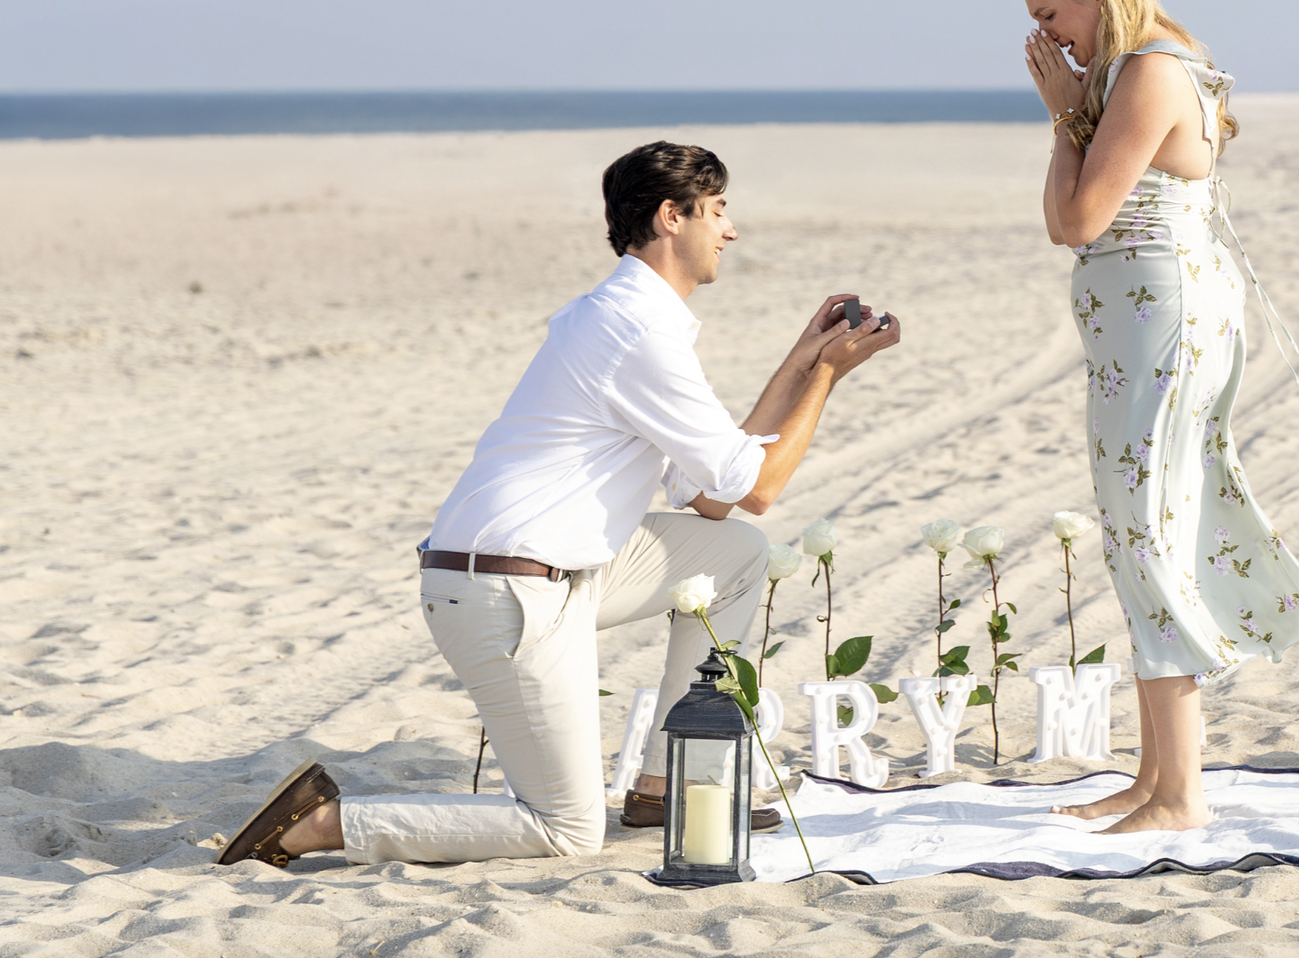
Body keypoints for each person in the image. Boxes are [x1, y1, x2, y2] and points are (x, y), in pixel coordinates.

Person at [216, 140, 900, 867]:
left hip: (548, 572)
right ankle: (323, 822)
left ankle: (666, 784)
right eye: (719, 211)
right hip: (505, 590)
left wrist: (802, 360)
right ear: (673, 216)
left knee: (732, 557)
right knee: (566, 832)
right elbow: (759, 488)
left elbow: (713, 498)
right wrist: (826, 376)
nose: (729, 231)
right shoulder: (637, 330)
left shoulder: (628, 318)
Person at [1019, 0, 1299, 834]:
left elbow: (1077, 219)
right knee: (1135, 524)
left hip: (1165, 322)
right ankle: (1156, 778)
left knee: (1147, 523)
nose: (1047, 34)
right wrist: (1072, 108)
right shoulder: (1121, 74)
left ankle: (1181, 794)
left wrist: (1064, 115)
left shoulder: (1148, 71)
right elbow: (1064, 218)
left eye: (1052, 11)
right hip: (1143, 326)